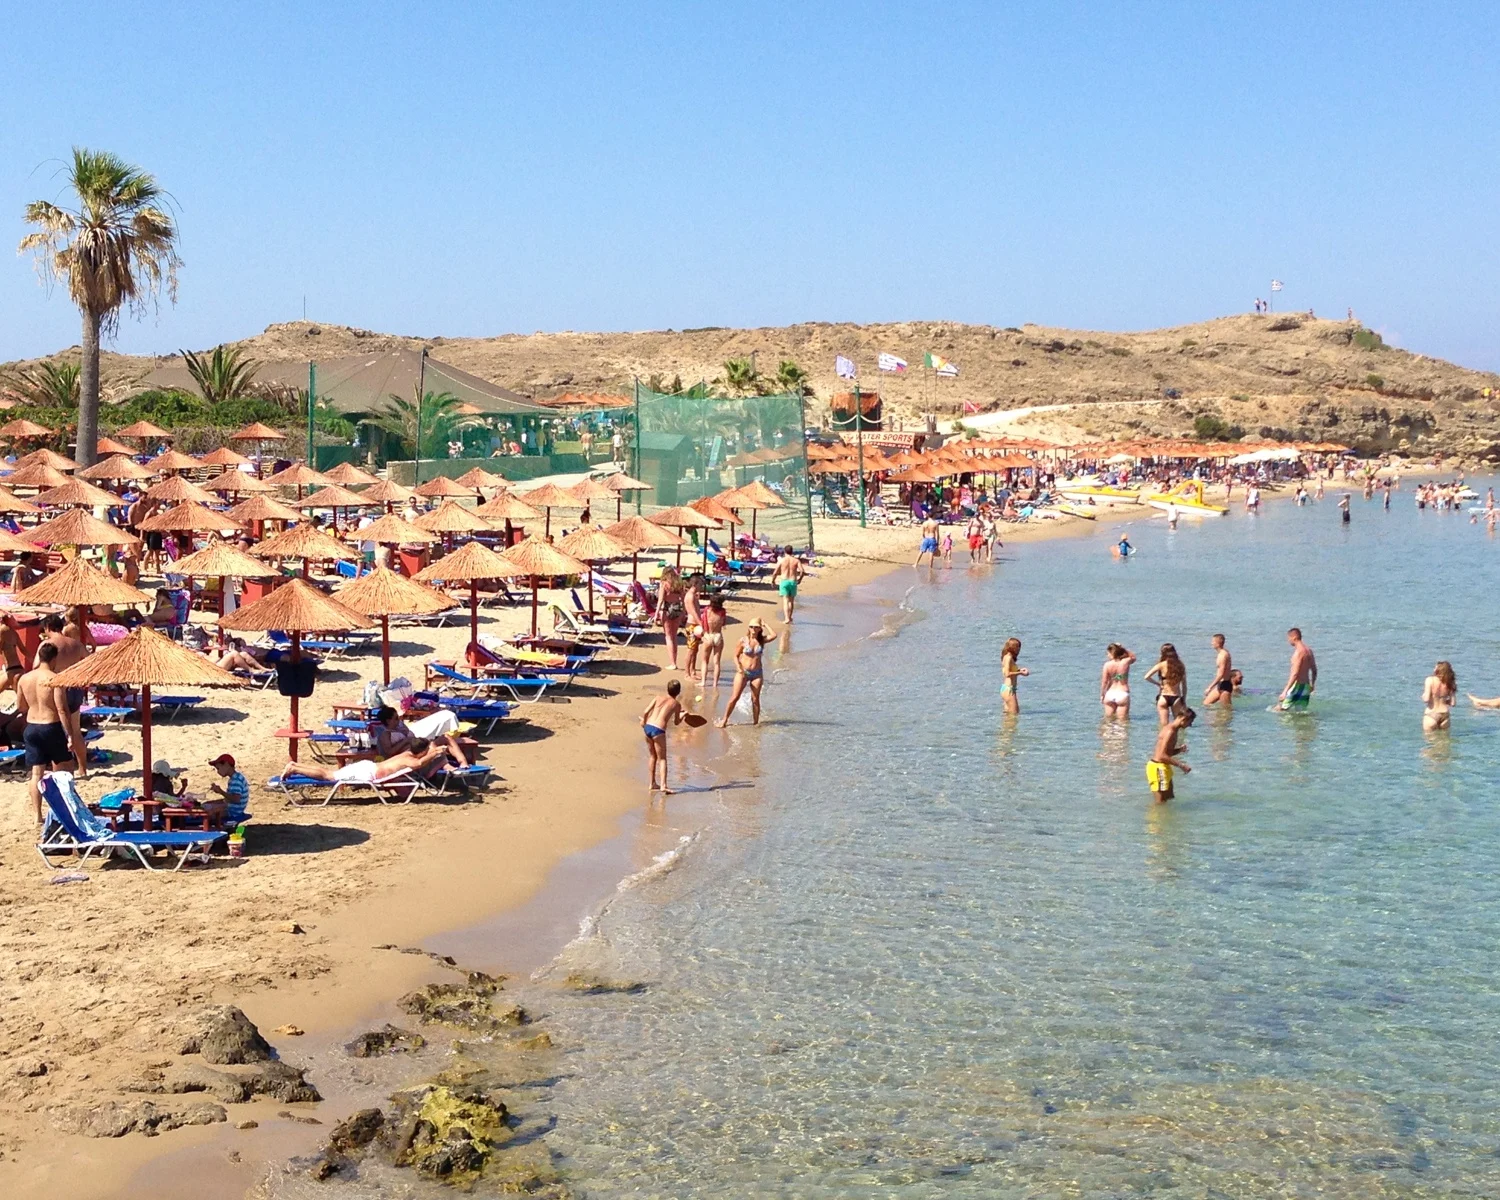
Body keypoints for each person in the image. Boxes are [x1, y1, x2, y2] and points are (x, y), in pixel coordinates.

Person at [17, 643, 71, 826]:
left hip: (32, 727)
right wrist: (70, 735)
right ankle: (64, 810)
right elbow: (61, 709)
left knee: (36, 774)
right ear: (54, 658)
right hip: (51, 726)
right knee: (63, 770)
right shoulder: (54, 679)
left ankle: (37, 815)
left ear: (39, 657)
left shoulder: (24, 679)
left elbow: (21, 707)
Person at [40, 614, 87, 776]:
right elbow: (90, 662)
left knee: (59, 732)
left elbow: (37, 667)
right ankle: (82, 769)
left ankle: (61, 771)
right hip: (74, 687)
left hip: (57, 688)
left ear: (48, 627)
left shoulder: (47, 644)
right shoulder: (76, 644)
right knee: (76, 731)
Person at [286, 739, 447, 787]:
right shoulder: (410, 759)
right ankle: (294, 768)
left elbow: (420, 759)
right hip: (368, 772)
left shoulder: (407, 753)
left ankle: (295, 766)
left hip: (368, 767)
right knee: (329, 776)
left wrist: (434, 750)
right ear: (422, 752)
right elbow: (418, 764)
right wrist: (435, 753)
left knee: (330, 773)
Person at [717, 618, 778, 727]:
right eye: (751, 627)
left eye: (756, 627)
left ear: (759, 629)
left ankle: (756, 723)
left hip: (757, 673)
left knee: (755, 699)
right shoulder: (743, 641)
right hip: (743, 672)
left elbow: (774, 635)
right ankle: (724, 720)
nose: (753, 629)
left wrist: (766, 624)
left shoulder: (761, 640)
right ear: (748, 628)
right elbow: (735, 656)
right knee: (735, 697)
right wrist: (739, 667)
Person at [374, 704, 471, 768]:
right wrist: (405, 741)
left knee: (446, 737)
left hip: (418, 747)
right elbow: (389, 752)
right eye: (396, 718)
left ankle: (463, 763)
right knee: (433, 746)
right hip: (409, 755)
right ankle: (446, 766)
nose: (398, 720)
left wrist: (405, 732)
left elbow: (412, 737)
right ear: (388, 721)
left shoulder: (400, 727)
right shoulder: (385, 734)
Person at [641, 678, 687, 792]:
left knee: (653, 756)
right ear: (678, 692)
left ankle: (652, 783)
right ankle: (663, 785)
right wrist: (683, 715)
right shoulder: (676, 704)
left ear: (667, 689)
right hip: (658, 730)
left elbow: (646, 711)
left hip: (648, 727)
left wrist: (644, 722)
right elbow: (676, 722)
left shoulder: (658, 697)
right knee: (662, 759)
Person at [1147, 707, 1195, 803]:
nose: (1190, 725)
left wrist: (1179, 750)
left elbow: (1166, 753)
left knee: (1169, 798)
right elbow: (1161, 756)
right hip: (1158, 767)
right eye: (1190, 722)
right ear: (1183, 719)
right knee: (1160, 803)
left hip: (1164, 766)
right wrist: (1181, 765)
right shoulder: (1170, 731)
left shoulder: (1173, 730)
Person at [1145, 643, 1187, 725]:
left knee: (1164, 725)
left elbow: (1146, 677)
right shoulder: (1180, 666)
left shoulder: (1161, 665)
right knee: (1178, 725)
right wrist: (1184, 700)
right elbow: (1184, 686)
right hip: (1176, 697)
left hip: (1163, 696)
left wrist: (1158, 684)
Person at [206, 752, 252, 828]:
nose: (218, 772)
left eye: (218, 768)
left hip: (233, 812)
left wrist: (221, 791)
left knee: (208, 815)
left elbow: (236, 799)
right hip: (233, 808)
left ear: (226, 765)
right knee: (208, 805)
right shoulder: (236, 777)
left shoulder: (236, 780)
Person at [1278, 627, 1317, 711]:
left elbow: (1295, 674)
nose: (1288, 641)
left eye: (1289, 638)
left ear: (1294, 637)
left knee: (1280, 710)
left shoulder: (1298, 653)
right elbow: (1314, 670)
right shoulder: (1309, 651)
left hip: (1296, 686)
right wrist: (1312, 685)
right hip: (1306, 687)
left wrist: (1285, 691)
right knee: (1300, 713)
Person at [656, 566, 687, 670]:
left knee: (668, 637)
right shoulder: (679, 583)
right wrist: (684, 612)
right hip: (677, 608)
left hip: (668, 608)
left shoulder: (664, 584)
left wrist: (656, 613)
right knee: (674, 636)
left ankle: (673, 663)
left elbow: (661, 600)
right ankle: (675, 661)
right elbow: (683, 598)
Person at [1100, 643, 1136, 718]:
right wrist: (1122, 648)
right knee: (1122, 721)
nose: (1107, 655)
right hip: (1122, 692)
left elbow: (1104, 681)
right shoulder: (1125, 662)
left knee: (1108, 720)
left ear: (1112, 653)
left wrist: (1102, 694)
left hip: (1110, 693)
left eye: (1108, 653)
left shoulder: (1107, 665)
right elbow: (1133, 657)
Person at [700, 595, 727, 687]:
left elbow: (703, 623)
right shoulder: (722, 611)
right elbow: (723, 623)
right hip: (718, 635)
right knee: (716, 662)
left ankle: (703, 682)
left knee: (705, 661)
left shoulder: (707, 610)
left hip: (708, 635)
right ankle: (715, 683)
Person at [773, 546, 804, 622]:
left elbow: (775, 572)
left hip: (784, 581)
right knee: (791, 601)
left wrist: (773, 580)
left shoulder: (782, 560)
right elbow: (802, 571)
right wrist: (800, 579)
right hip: (793, 581)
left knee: (785, 600)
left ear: (785, 551)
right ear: (792, 551)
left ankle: (786, 618)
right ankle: (789, 617)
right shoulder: (796, 560)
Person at [1422, 662, 1456, 732]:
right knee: (1445, 738)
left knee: (1429, 738)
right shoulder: (1449, 682)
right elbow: (1453, 703)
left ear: (1438, 669)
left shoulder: (1430, 680)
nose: (1434, 669)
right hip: (1445, 715)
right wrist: (1444, 701)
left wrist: (1423, 696)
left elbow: (1426, 699)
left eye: (1435, 667)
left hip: (1431, 713)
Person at [1203, 634, 1233, 707]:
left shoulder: (1223, 655)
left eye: (1213, 641)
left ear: (1218, 643)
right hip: (1221, 684)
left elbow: (1221, 674)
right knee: (1206, 703)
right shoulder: (1222, 653)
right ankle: (1215, 713)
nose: (1211, 643)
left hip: (1225, 685)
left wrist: (1210, 687)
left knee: (1226, 709)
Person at [1000, 637, 1028, 715]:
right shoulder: (1008, 658)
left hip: (1007, 688)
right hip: (1009, 689)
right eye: (1017, 647)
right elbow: (1007, 673)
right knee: (1014, 714)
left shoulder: (1007, 657)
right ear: (1012, 647)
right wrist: (1021, 673)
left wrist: (1019, 670)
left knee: (1007, 715)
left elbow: (1009, 670)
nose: (1019, 649)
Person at [0, 615, 22, 694]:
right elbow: (23, 650)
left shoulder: (2, 630)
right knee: (21, 696)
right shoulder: (14, 632)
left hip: (10, 669)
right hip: (19, 668)